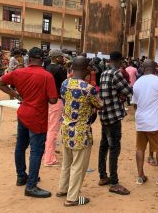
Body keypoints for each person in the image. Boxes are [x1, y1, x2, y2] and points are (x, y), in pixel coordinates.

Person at [0, 47, 57, 198]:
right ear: (42, 60)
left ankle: (21, 176)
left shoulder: (18, 72)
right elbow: (53, 100)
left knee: (20, 147)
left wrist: (16, 94)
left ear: (29, 59)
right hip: (37, 117)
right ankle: (31, 185)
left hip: (23, 113)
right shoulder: (47, 76)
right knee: (36, 151)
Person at [57, 56, 103, 207]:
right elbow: (99, 104)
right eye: (88, 67)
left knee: (67, 162)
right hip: (81, 132)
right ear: (84, 69)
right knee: (78, 166)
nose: (90, 69)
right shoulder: (88, 88)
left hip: (66, 128)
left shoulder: (65, 83)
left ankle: (62, 189)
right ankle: (72, 198)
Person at [132, 59, 158, 186]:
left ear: (142, 68)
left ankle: (140, 175)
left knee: (140, 148)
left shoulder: (137, 83)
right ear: (155, 68)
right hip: (156, 122)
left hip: (141, 121)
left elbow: (135, 103)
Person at [98, 51, 132, 195]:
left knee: (104, 146)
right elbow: (128, 90)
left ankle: (103, 176)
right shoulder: (116, 73)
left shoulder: (104, 73)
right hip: (113, 116)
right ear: (119, 61)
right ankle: (114, 182)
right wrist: (122, 94)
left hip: (105, 114)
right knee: (114, 148)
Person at [43, 49, 67, 167]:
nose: (63, 59)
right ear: (57, 57)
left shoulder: (47, 68)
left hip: (47, 101)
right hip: (56, 101)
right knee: (53, 130)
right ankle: (49, 159)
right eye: (61, 57)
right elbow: (64, 85)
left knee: (48, 127)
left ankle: (47, 152)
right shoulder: (59, 69)